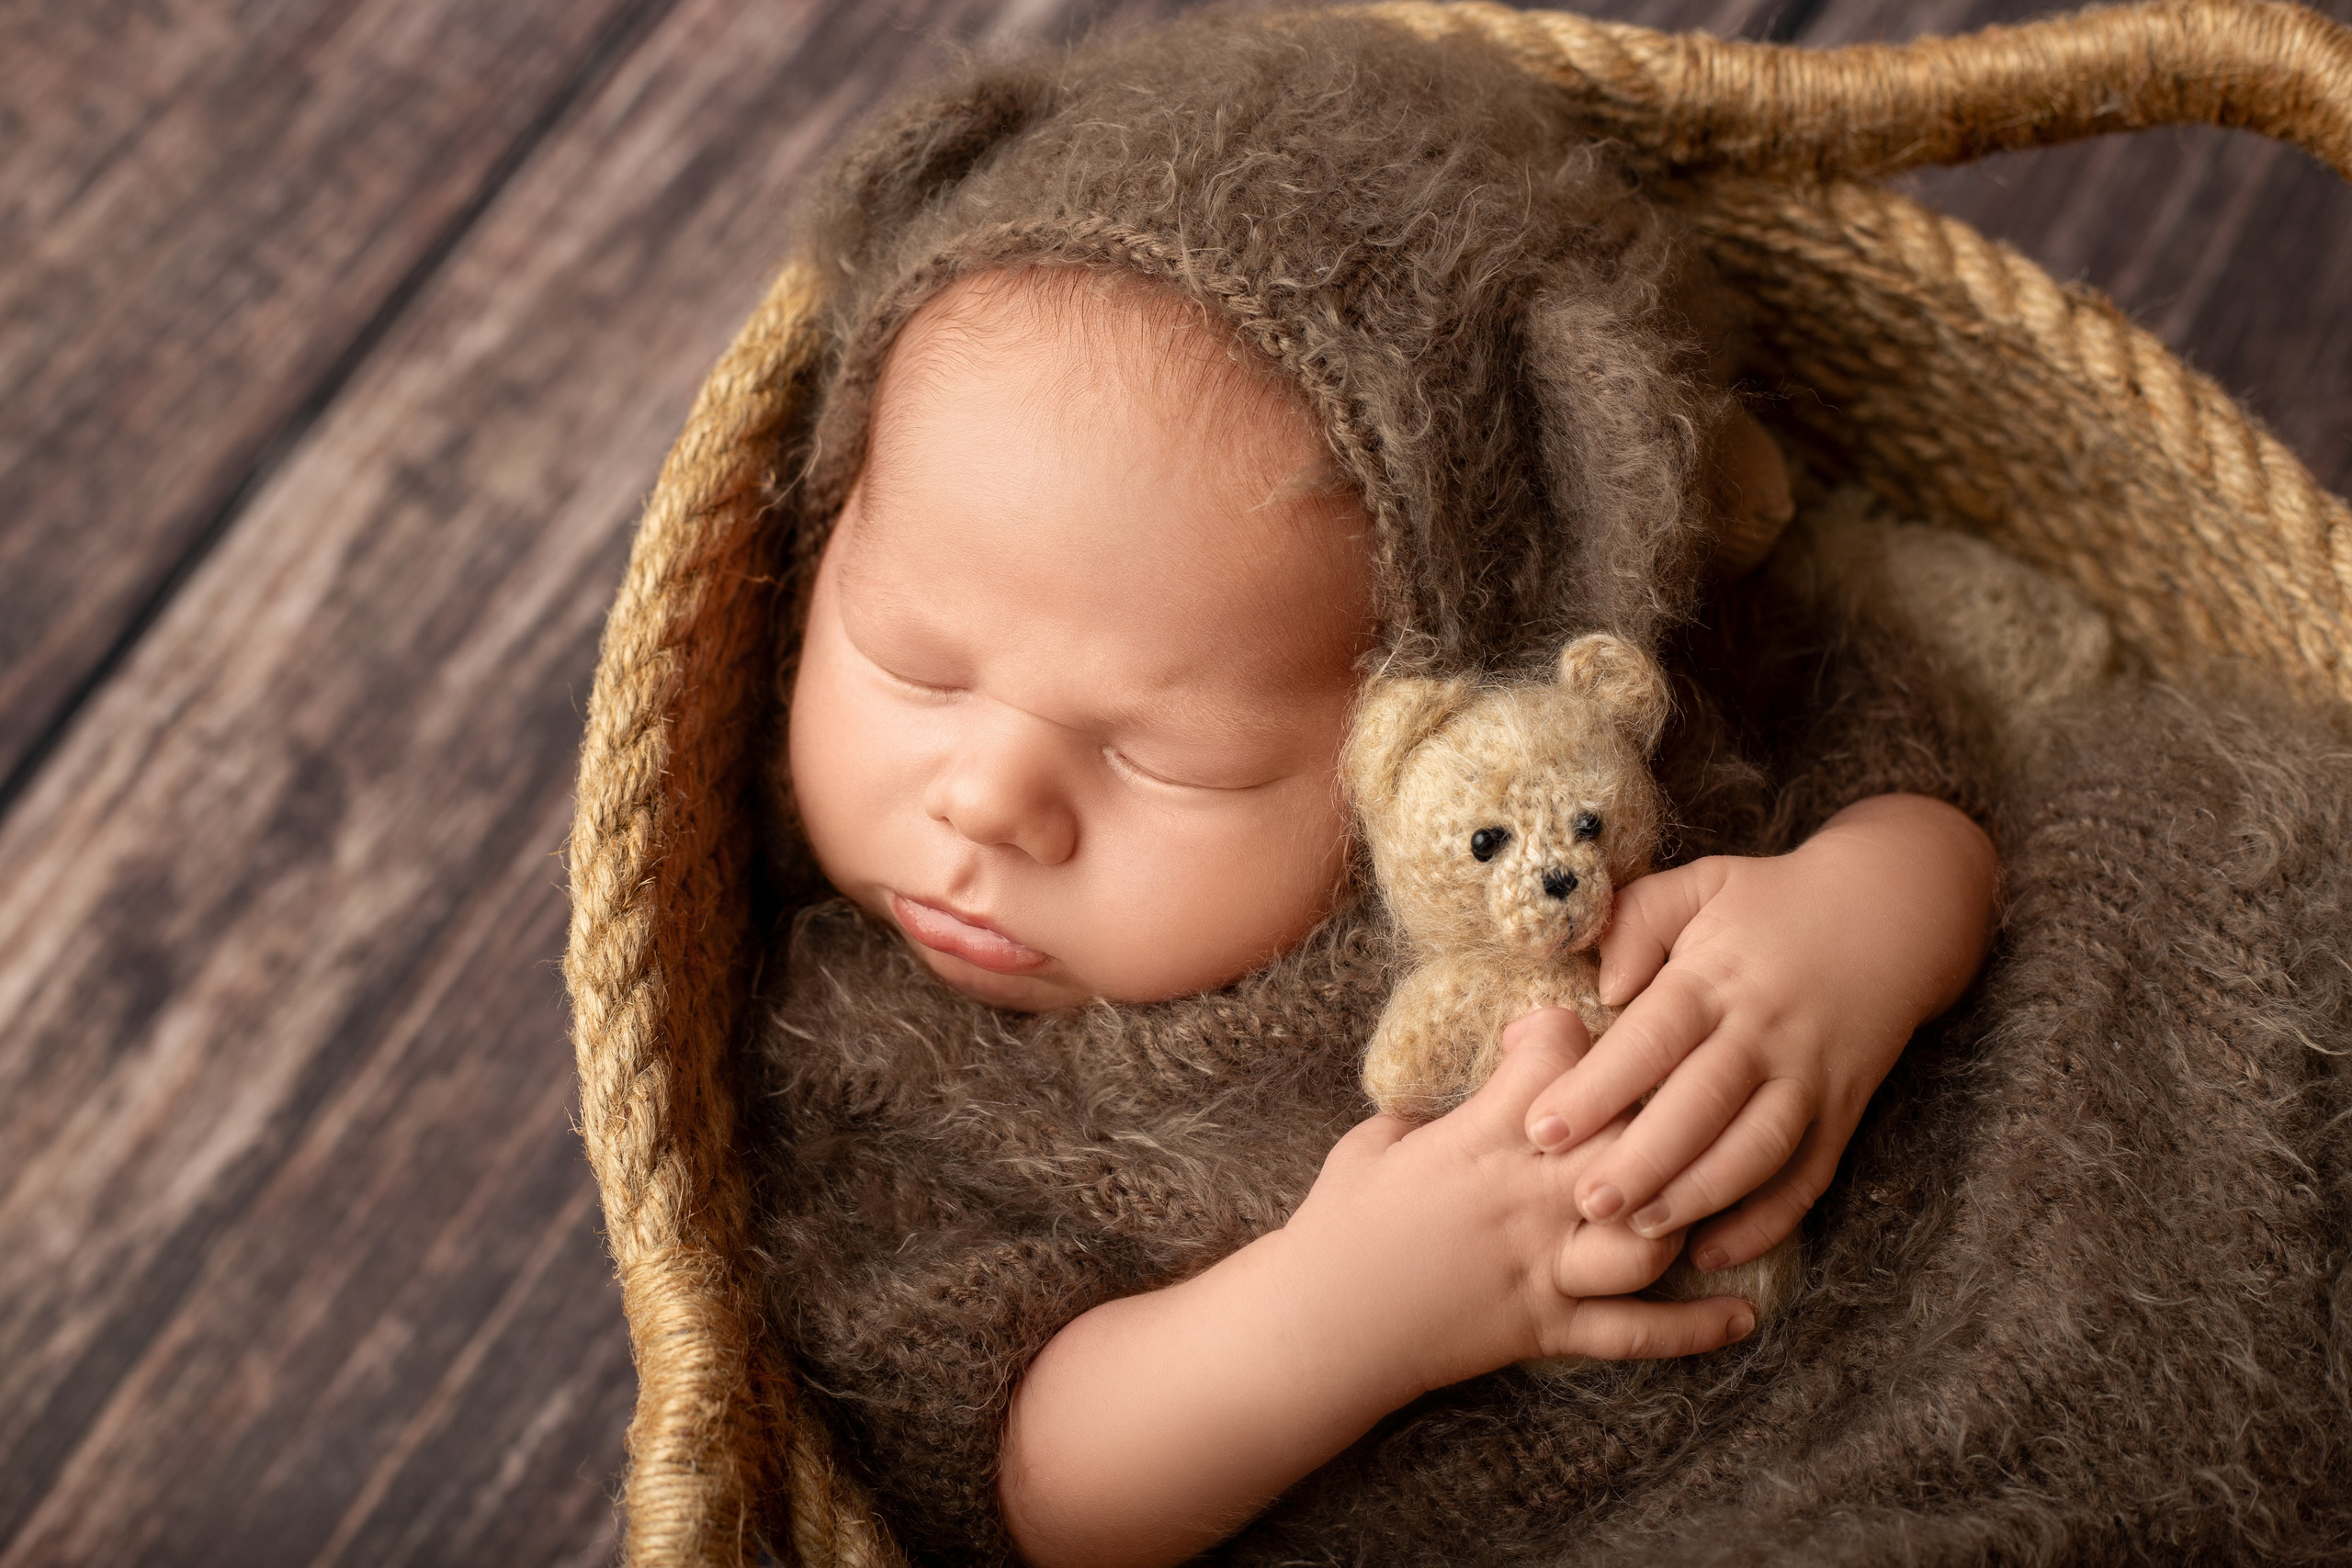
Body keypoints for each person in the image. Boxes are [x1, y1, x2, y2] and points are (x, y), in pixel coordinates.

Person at [780, 256, 1996, 1567]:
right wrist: (1355, 1312)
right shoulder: (860, 1050)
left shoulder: (1560, 759)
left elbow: (1938, 788)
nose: (984, 801)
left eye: (1167, 758)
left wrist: (1860, 916)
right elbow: (1022, 1491)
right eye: (912, 665)